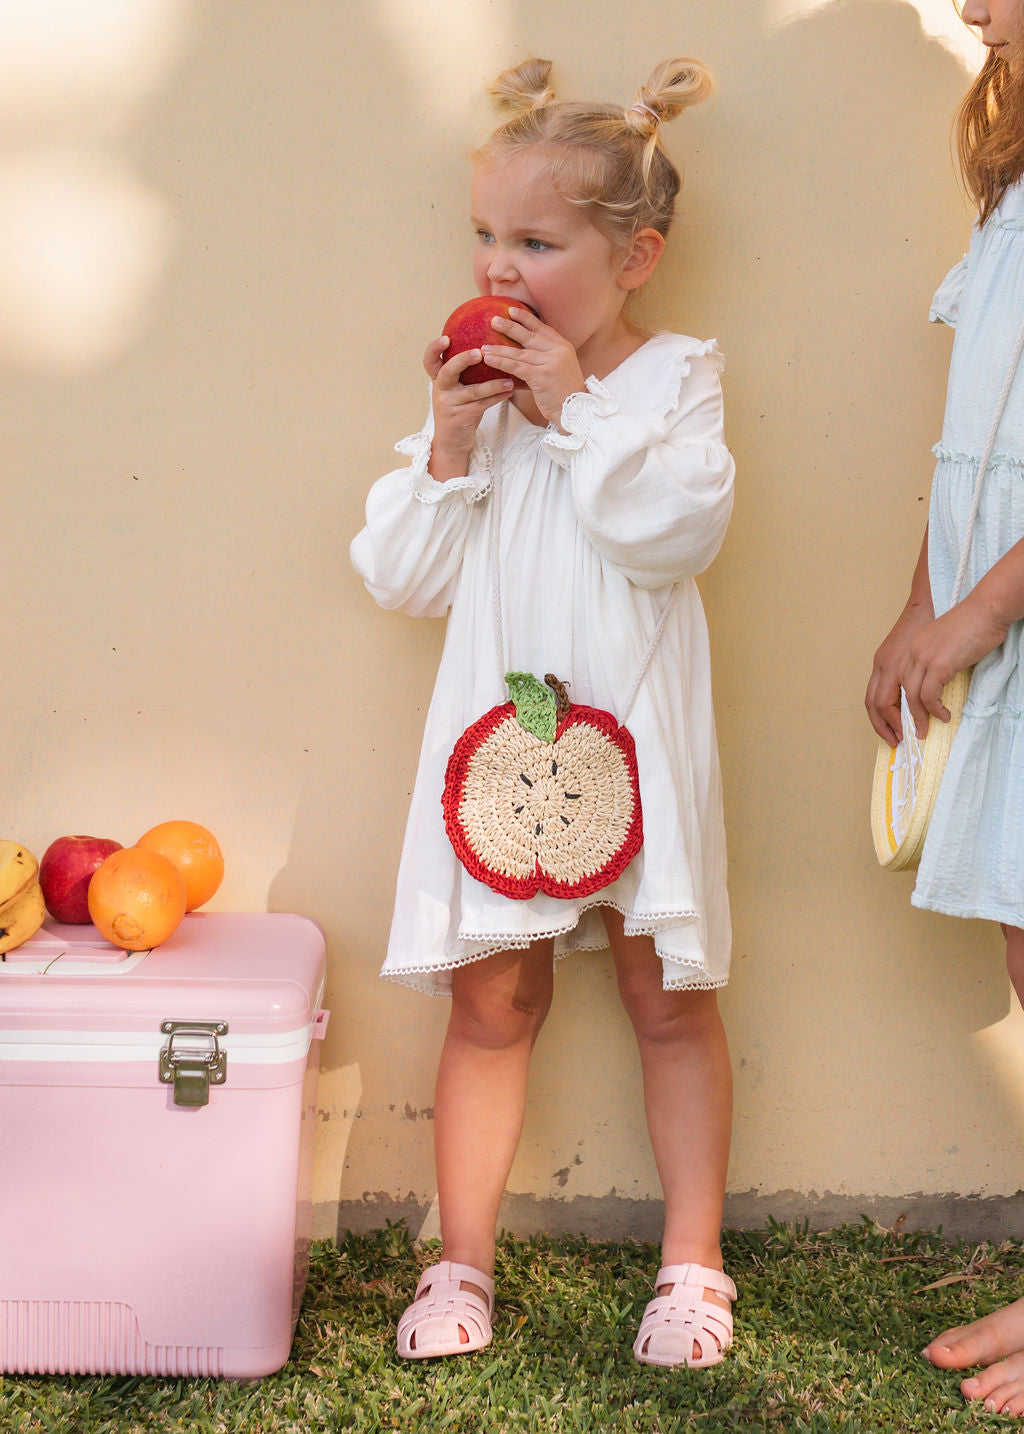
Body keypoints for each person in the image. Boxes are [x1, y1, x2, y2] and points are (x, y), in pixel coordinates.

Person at [350, 56, 736, 1368]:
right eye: (483, 237)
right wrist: (454, 443)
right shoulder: (473, 405)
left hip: (634, 736)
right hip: (500, 751)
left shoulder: (672, 380)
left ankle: (693, 1264)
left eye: (536, 239)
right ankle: (460, 1261)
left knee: (664, 994)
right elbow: (399, 577)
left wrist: (570, 407)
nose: (498, 267)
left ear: (636, 259)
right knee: (492, 997)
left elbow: (674, 533)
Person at [865, 0, 1024, 1417]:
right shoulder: (1012, 184)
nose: (969, 8)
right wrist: (928, 599)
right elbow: (972, 434)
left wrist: (984, 607)